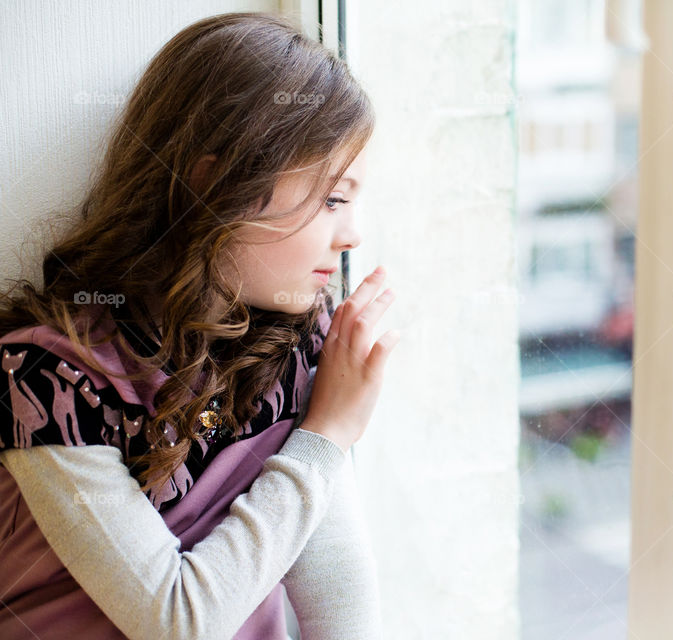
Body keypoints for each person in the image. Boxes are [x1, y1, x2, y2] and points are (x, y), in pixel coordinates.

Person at [0, 11, 400, 640]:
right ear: (216, 182)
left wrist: (327, 426)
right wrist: (327, 435)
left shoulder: (291, 349)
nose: (352, 234)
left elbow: (338, 599)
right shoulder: (48, 380)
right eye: (331, 198)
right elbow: (178, 621)